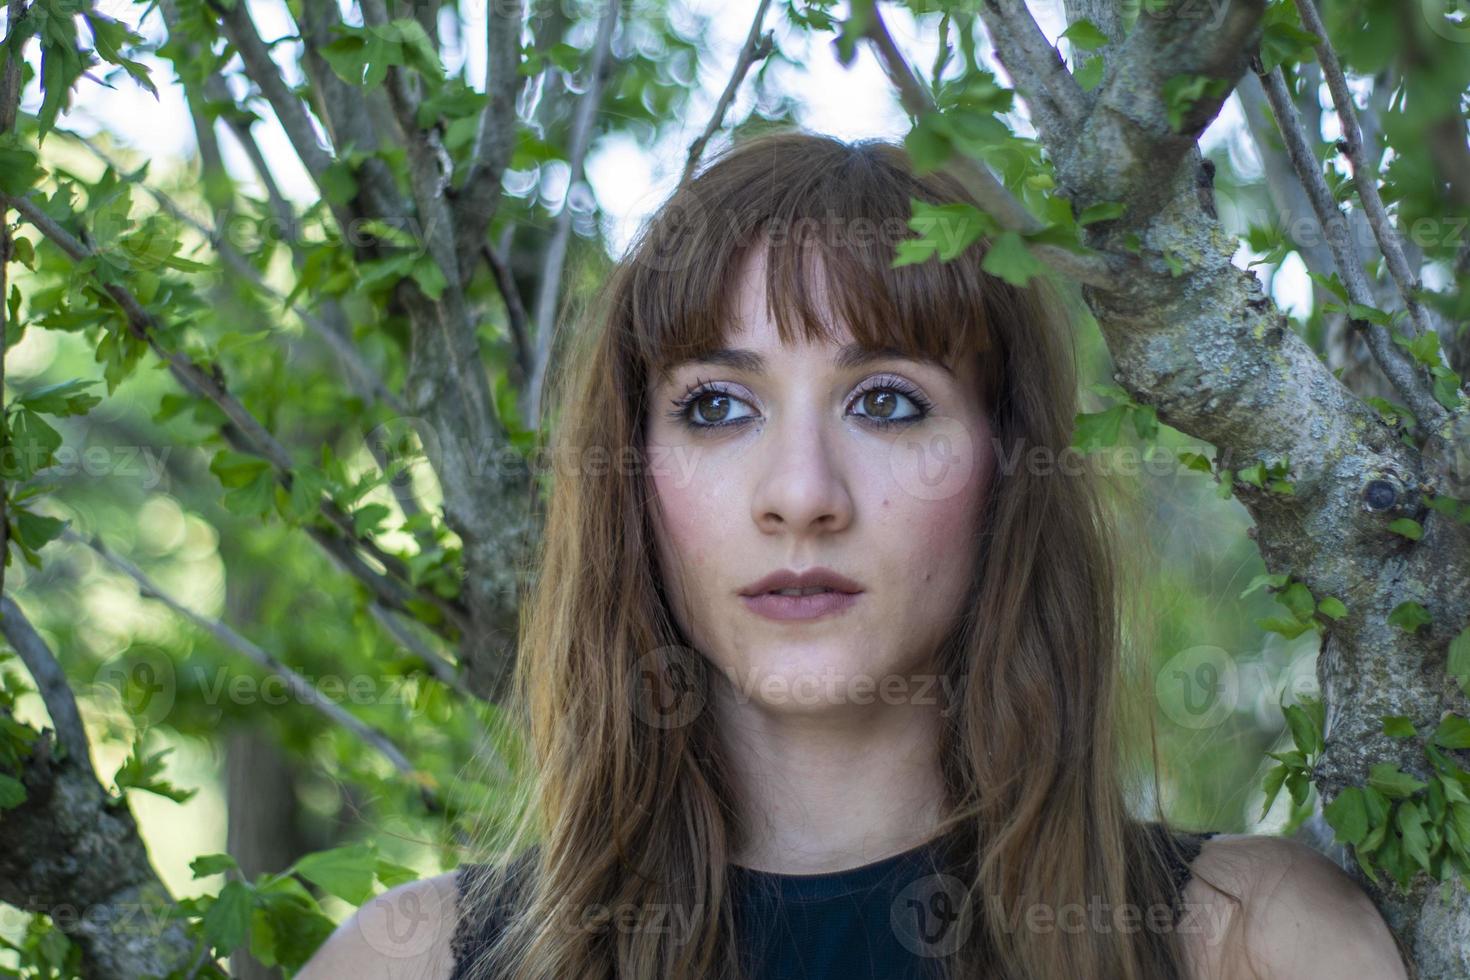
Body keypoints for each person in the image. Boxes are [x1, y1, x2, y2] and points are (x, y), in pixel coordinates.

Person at [298, 130, 1412, 979]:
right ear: (633, 475)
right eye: (719, 406)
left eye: (886, 401)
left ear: (1006, 464)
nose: (800, 496)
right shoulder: (404, 959)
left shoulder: (1250, 940)